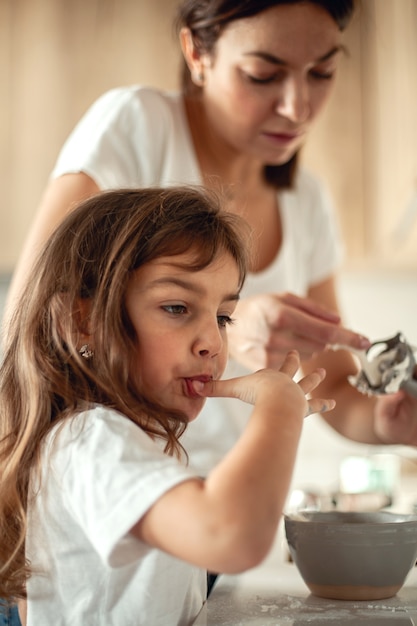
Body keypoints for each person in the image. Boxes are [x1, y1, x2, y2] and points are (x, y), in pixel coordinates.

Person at [3, 0, 417, 476]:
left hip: (231, 497)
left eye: (322, 73)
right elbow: (30, 322)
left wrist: (389, 424)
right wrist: (228, 329)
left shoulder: (308, 200)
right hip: (125, 492)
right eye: (263, 75)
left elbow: (332, 381)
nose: (297, 106)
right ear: (197, 52)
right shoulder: (139, 126)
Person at [0, 185, 335, 626]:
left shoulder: (135, 439)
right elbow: (231, 536)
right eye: (177, 307)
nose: (213, 343)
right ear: (82, 324)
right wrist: (280, 409)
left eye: (222, 316)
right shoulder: (90, 441)